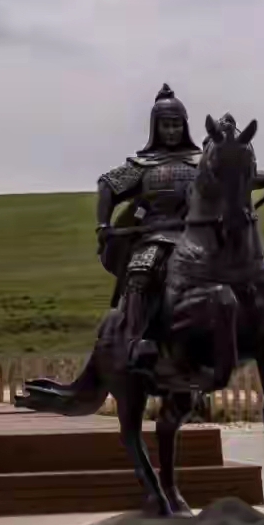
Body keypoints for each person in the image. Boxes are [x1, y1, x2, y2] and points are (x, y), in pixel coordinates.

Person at [96, 84, 201, 369]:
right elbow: (107, 185)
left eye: (177, 125)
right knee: (141, 271)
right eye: (166, 125)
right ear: (156, 128)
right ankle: (135, 339)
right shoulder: (143, 164)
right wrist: (103, 224)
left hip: (197, 235)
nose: (172, 131)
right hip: (155, 234)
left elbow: (240, 175)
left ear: (185, 126)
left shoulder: (202, 162)